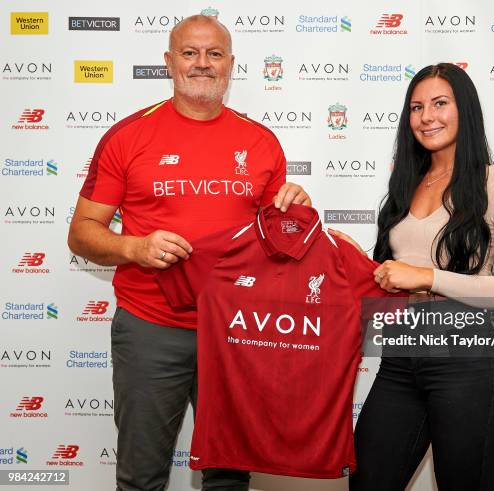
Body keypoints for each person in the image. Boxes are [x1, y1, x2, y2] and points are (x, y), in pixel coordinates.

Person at [67, 14, 310, 491]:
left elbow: (279, 245)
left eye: (214, 54)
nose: (202, 64)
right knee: (141, 476)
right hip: (151, 329)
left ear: (231, 64)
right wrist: (134, 247)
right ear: (169, 62)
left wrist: (294, 210)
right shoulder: (128, 136)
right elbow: (81, 234)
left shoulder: (261, 142)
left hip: (237, 333)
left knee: (228, 476)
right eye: (190, 52)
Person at [339, 63, 494, 490]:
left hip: (467, 362)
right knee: (366, 482)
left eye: (439, 103)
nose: (426, 116)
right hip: (399, 359)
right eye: (416, 107)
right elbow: (392, 275)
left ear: (465, 109)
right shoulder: (405, 184)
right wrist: (346, 260)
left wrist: (428, 277)